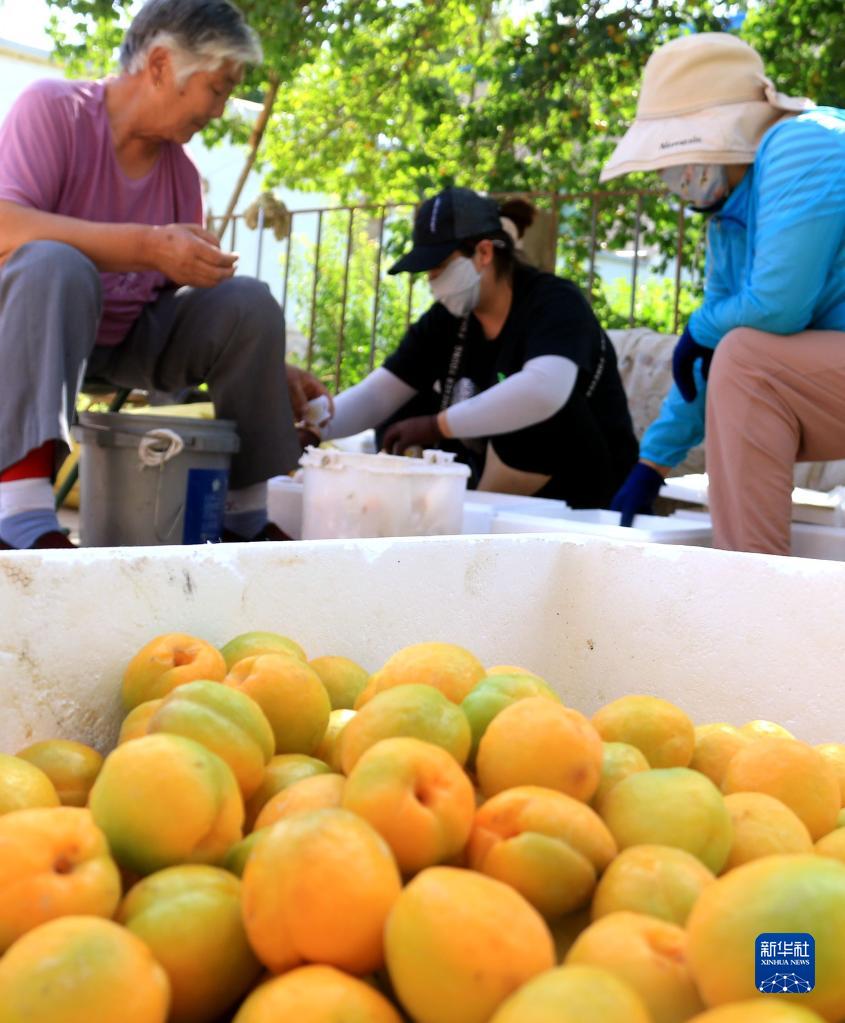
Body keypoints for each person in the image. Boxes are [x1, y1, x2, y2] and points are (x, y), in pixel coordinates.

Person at [0, 0, 329, 550]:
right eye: (219, 88)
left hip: (128, 340)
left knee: (248, 302)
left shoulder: (180, 172)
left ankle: (243, 516)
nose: (221, 110)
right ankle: (19, 513)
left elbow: (183, 301)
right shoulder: (53, 109)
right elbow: (7, 226)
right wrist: (147, 245)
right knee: (53, 262)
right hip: (32, 335)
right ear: (159, 66)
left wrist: (268, 359)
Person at [602, 32, 845, 555]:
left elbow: (777, 307)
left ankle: (750, 584)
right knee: (737, 359)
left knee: (745, 359)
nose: (670, 178)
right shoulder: (728, 223)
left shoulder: (803, 141)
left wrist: (702, 329)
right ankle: (752, 581)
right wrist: (652, 464)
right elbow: (707, 363)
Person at [314, 186, 638, 506]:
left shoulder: (555, 302)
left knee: (522, 402)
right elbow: (379, 394)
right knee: (405, 407)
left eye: (440, 268)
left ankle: (470, 515)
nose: (432, 281)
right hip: (495, 494)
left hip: (586, 495)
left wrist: (435, 426)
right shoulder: (447, 319)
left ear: (484, 253)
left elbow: (544, 391)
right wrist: (313, 427)